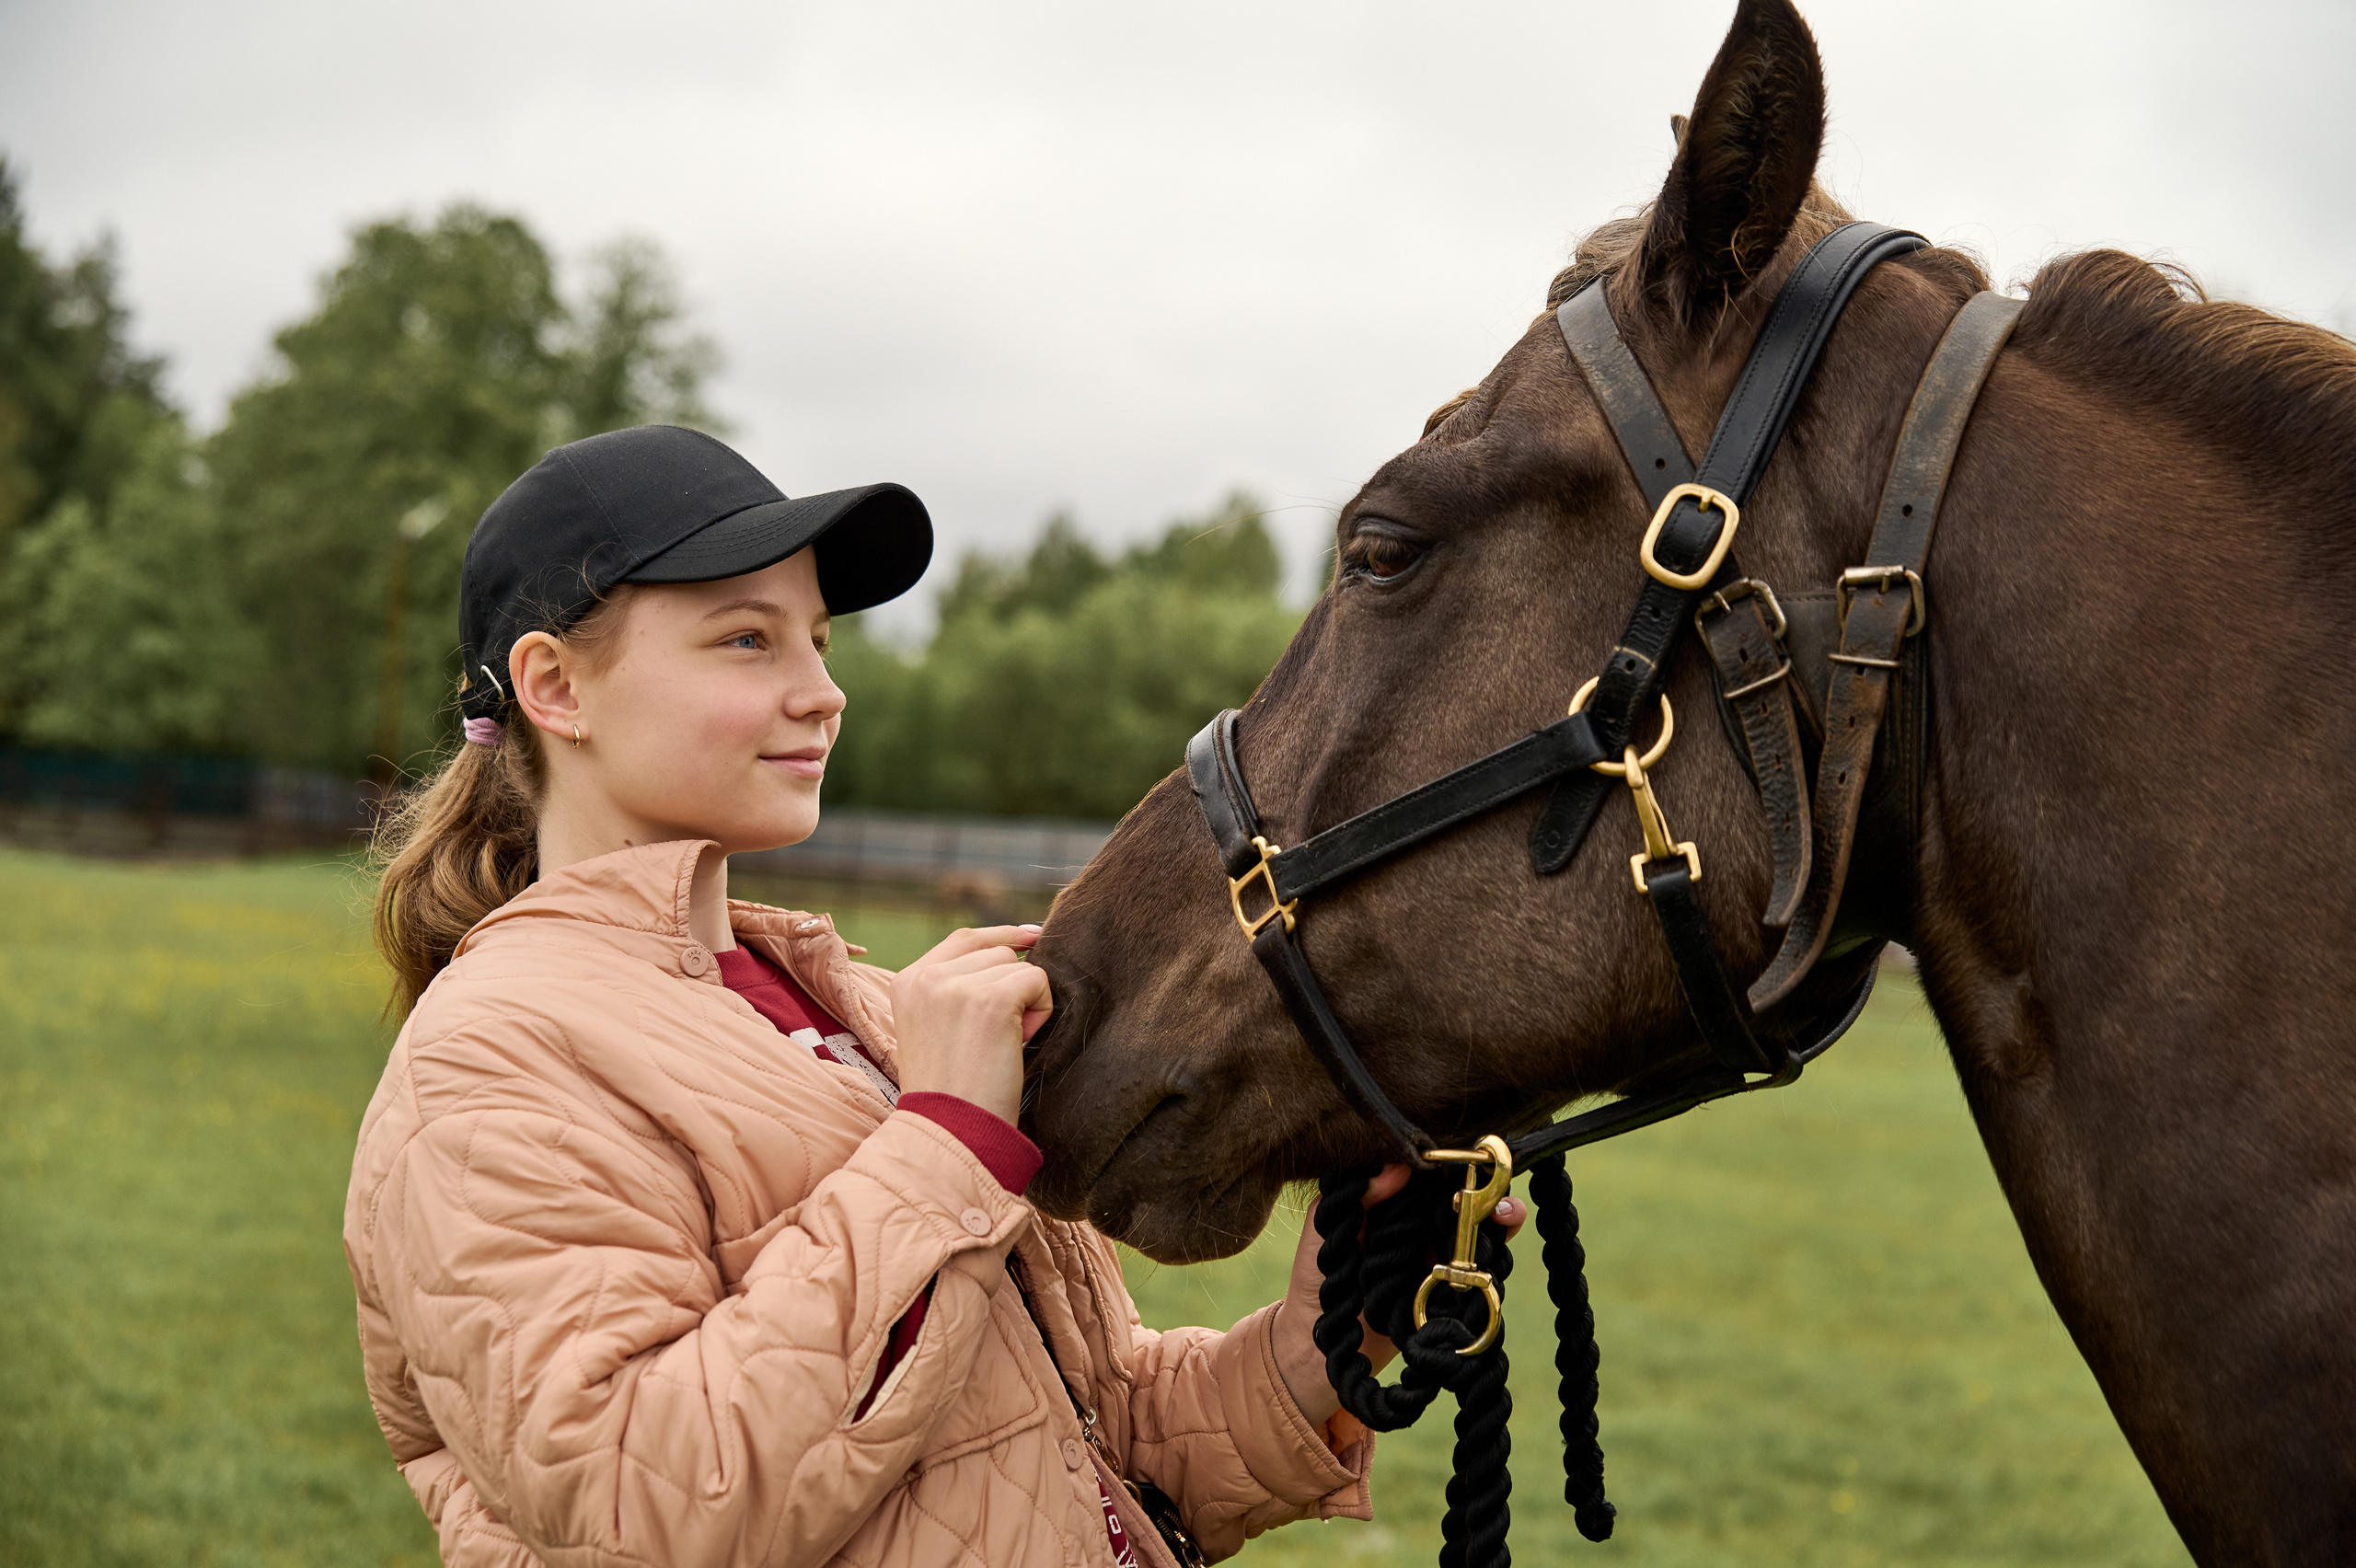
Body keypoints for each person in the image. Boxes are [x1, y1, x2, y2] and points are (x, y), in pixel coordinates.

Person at [344, 425, 1515, 1567]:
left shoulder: (862, 1007)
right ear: (555, 687)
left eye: (819, 641)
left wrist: (1325, 1332)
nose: (822, 693)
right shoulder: (487, 1062)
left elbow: (1075, 1450)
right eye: (747, 640)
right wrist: (945, 1140)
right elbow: (647, 1506)